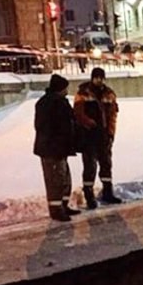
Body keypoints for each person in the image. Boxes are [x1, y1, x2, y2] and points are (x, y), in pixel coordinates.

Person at [33, 74, 80, 222]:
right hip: (52, 149)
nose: (67, 91)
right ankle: (56, 210)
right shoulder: (50, 104)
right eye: (65, 88)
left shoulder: (58, 102)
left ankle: (62, 206)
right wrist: (58, 143)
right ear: (59, 88)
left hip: (60, 148)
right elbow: (48, 127)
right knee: (55, 180)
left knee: (64, 179)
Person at [74, 67, 122, 208]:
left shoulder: (109, 94)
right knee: (90, 166)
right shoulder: (83, 93)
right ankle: (89, 195)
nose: (99, 80)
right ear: (92, 78)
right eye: (96, 77)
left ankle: (108, 192)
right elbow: (78, 113)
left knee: (106, 164)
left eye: (101, 77)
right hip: (88, 136)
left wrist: (111, 134)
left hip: (104, 136)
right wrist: (90, 124)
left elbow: (113, 116)